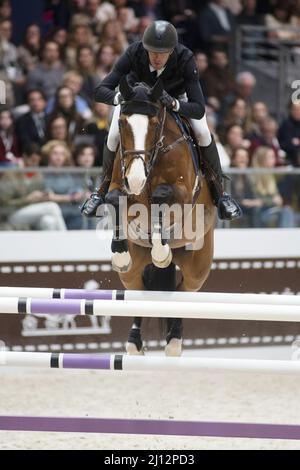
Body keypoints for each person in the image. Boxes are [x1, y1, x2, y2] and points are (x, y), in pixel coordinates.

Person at [82, 20, 242, 220]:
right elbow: (100, 91)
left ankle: (221, 194)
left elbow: (199, 108)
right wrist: (119, 98)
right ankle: (101, 190)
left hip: (174, 98)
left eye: (162, 52)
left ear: (172, 50)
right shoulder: (134, 52)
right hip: (135, 102)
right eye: (152, 52)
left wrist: (174, 104)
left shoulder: (185, 58)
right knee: (113, 134)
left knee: (202, 133)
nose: (157, 57)